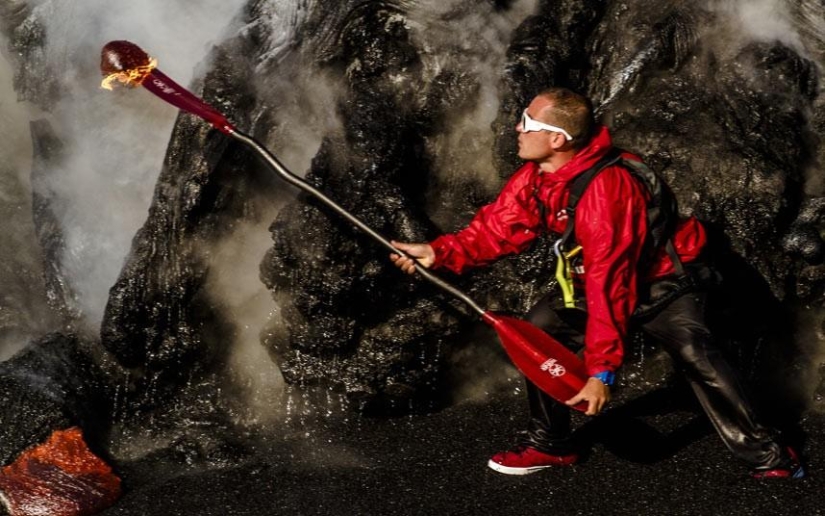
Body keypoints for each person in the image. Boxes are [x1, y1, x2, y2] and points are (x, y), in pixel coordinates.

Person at [389, 87, 804, 478]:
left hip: (663, 282)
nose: (517, 127)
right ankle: (551, 444)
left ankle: (770, 454)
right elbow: (500, 226)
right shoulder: (540, 175)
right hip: (601, 279)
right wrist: (439, 252)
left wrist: (602, 371)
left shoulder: (607, 191)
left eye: (527, 122)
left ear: (557, 139)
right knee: (538, 331)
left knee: (697, 352)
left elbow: (612, 280)